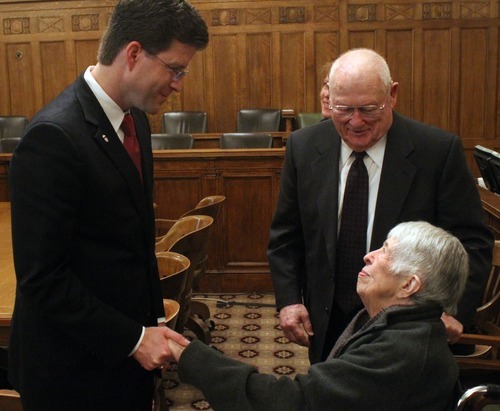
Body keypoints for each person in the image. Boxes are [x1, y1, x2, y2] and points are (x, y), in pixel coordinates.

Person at [7, 1, 208, 410]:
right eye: (175, 69)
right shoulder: (53, 137)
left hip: (123, 357)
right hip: (73, 373)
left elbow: (133, 247)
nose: (179, 83)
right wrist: (133, 339)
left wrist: (152, 323)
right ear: (134, 54)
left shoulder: (136, 121)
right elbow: (43, 279)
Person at [267, 48, 494, 364]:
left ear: (393, 95)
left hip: (408, 326)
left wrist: (453, 310)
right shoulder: (303, 147)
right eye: (344, 109)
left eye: (369, 109)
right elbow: (286, 237)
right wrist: (289, 300)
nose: (356, 122)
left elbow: (473, 242)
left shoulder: (437, 151)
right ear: (328, 98)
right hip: (326, 319)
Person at [167, 221, 469, 411]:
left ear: (409, 285)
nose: (369, 255)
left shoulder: (401, 351)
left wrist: (188, 354)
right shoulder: (408, 328)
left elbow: (289, 402)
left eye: (385, 252)